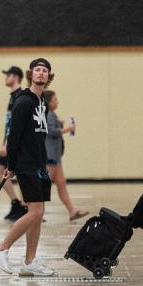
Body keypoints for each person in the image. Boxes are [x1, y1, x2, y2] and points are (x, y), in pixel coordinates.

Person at [0, 58, 55, 277]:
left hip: (39, 163)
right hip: (26, 164)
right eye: (37, 70)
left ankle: (30, 261)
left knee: (38, 211)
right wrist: (12, 165)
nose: (41, 73)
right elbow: (14, 135)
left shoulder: (42, 101)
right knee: (35, 211)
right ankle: (1, 249)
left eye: (45, 70)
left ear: (49, 76)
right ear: (30, 74)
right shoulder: (23, 101)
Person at [42, 90, 88, 222]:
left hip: (55, 157)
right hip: (49, 157)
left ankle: (72, 211)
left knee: (61, 184)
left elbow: (52, 127)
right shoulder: (48, 114)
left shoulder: (51, 114)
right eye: (55, 100)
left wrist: (60, 124)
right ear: (49, 102)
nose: (57, 102)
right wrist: (67, 129)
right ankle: (36, 212)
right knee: (43, 186)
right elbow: (51, 132)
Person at [0, 66, 27, 221]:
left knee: (14, 173)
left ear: (16, 77)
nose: (5, 78)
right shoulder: (13, 95)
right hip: (9, 141)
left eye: (8, 75)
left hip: (15, 143)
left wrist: (8, 144)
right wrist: (4, 142)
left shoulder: (19, 95)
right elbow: (9, 123)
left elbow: (16, 124)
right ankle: (17, 203)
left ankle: (24, 206)